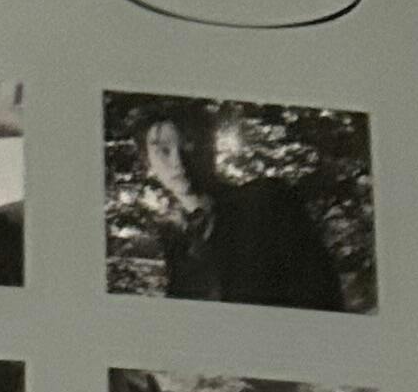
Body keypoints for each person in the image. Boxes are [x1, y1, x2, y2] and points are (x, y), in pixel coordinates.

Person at [122, 103, 344, 311]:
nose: (178, 161)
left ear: (211, 148)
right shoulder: (176, 242)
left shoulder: (266, 201)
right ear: (147, 161)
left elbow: (322, 292)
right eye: (163, 151)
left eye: (189, 144)